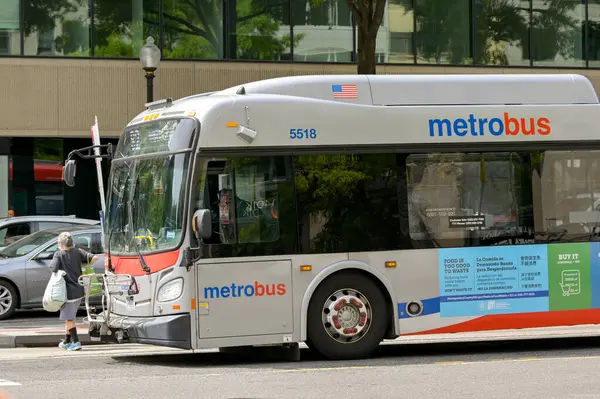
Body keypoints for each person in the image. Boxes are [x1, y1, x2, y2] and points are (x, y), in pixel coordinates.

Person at [50, 232, 98, 351]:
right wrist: (84, 264)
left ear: (61, 244)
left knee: (69, 318)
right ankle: (67, 341)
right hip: (79, 290)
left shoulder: (59, 254)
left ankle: (76, 342)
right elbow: (95, 258)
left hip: (68, 292)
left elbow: (53, 268)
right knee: (69, 317)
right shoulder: (78, 251)